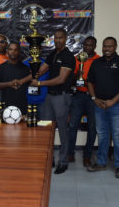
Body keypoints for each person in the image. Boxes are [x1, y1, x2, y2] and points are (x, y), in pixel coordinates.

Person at [87, 37, 119, 178]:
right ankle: (101, 163)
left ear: (116, 47)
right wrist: (94, 99)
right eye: (105, 46)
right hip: (100, 105)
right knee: (102, 135)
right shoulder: (96, 63)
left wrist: (113, 101)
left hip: (117, 105)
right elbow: (89, 82)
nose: (107, 49)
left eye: (110, 46)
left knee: (118, 135)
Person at [31, 28, 75, 174]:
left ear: (66, 39)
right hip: (49, 97)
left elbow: (61, 79)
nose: (57, 40)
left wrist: (39, 83)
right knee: (46, 129)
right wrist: (36, 72)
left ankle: (63, 161)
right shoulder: (53, 53)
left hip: (62, 96)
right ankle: (49, 159)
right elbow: (44, 67)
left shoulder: (68, 56)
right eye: (55, 38)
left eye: (60, 38)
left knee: (62, 129)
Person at [68, 36, 100, 167]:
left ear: (95, 46)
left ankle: (87, 156)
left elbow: (101, 80)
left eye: (91, 45)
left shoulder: (99, 60)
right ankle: (70, 153)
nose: (88, 47)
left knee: (92, 128)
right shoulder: (77, 58)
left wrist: (89, 83)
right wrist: (77, 75)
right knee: (72, 126)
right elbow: (71, 78)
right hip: (78, 96)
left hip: (93, 97)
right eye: (86, 45)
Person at [0, 42, 31, 114]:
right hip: (6, 105)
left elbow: (30, 83)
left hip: (22, 106)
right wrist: (9, 84)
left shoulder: (25, 68)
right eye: (11, 49)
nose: (13, 52)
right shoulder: (1, 67)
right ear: (7, 51)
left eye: (16, 50)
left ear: (19, 52)